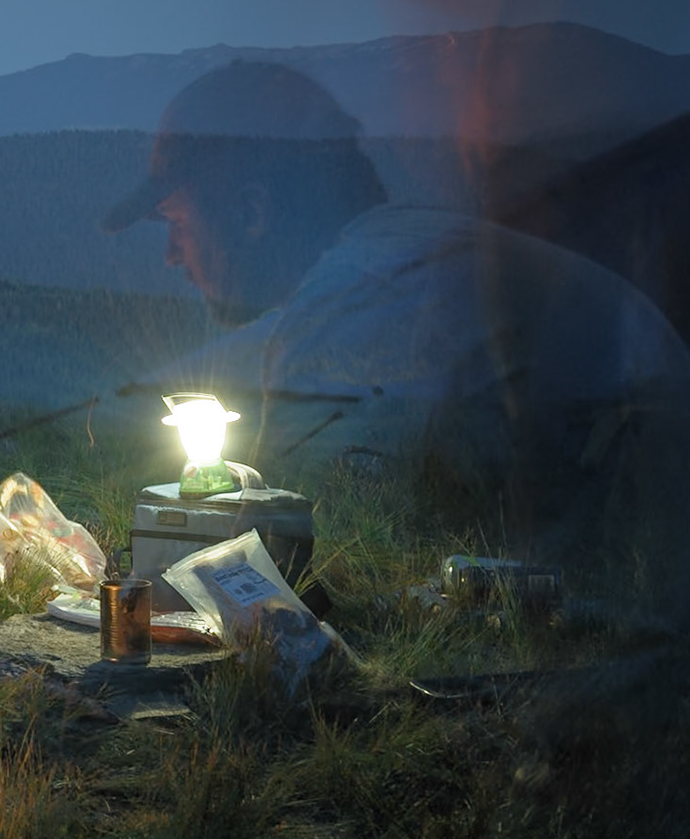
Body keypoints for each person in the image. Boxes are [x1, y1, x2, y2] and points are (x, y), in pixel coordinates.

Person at [100, 61, 690, 515]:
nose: (172, 256)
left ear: (251, 213)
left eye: (178, 223)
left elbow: (324, 555)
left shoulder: (357, 308)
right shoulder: (410, 254)